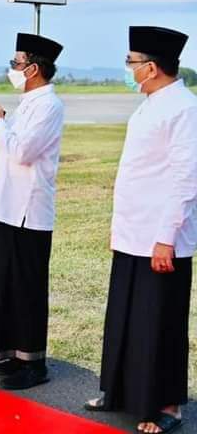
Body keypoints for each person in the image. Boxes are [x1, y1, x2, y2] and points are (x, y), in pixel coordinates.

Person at [85, 27, 195, 434]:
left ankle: (166, 405)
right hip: (134, 231)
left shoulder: (184, 107)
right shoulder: (150, 104)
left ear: (151, 67)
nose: (128, 69)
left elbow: (185, 179)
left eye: (131, 62)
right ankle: (119, 391)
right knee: (126, 315)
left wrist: (167, 237)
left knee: (159, 321)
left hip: (161, 236)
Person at [0, 33, 65, 390]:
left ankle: (33, 363)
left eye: (17, 63)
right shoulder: (27, 103)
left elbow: (24, 152)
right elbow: (8, 144)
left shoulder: (48, 105)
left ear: (33, 68)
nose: (12, 68)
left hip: (27, 210)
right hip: (3, 206)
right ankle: (10, 351)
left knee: (26, 287)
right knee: (1, 282)